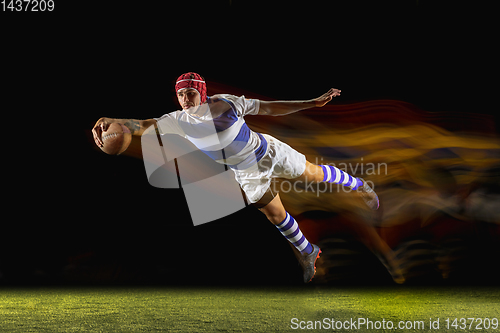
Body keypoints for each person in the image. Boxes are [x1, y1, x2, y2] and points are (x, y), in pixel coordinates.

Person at [92, 72, 379, 283]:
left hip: (269, 152)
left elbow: (269, 107)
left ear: (202, 92)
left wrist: (311, 103)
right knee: (275, 215)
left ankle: (361, 186)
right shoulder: (178, 121)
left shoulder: (227, 104)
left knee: (316, 176)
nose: (185, 99)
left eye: (190, 93)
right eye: (181, 94)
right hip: (246, 173)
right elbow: (142, 124)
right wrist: (112, 121)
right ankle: (309, 252)